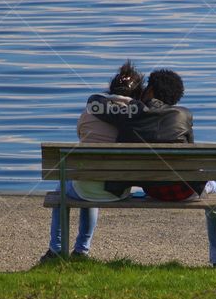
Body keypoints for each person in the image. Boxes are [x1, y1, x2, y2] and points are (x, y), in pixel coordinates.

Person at [86, 69, 216, 267]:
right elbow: (191, 158)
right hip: (183, 191)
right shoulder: (183, 115)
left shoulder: (132, 112)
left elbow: (95, 103)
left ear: (151, 91)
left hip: (151, 188)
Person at [40, 61, 145, 262]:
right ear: (138, 93)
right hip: (120, 191)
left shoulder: (89, 111)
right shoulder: (138, 116)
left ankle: (56, 250)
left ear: (111, 88)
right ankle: (82, 250)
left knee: (64, 186)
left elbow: (81, 136)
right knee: (93, 181)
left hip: (85, 186)